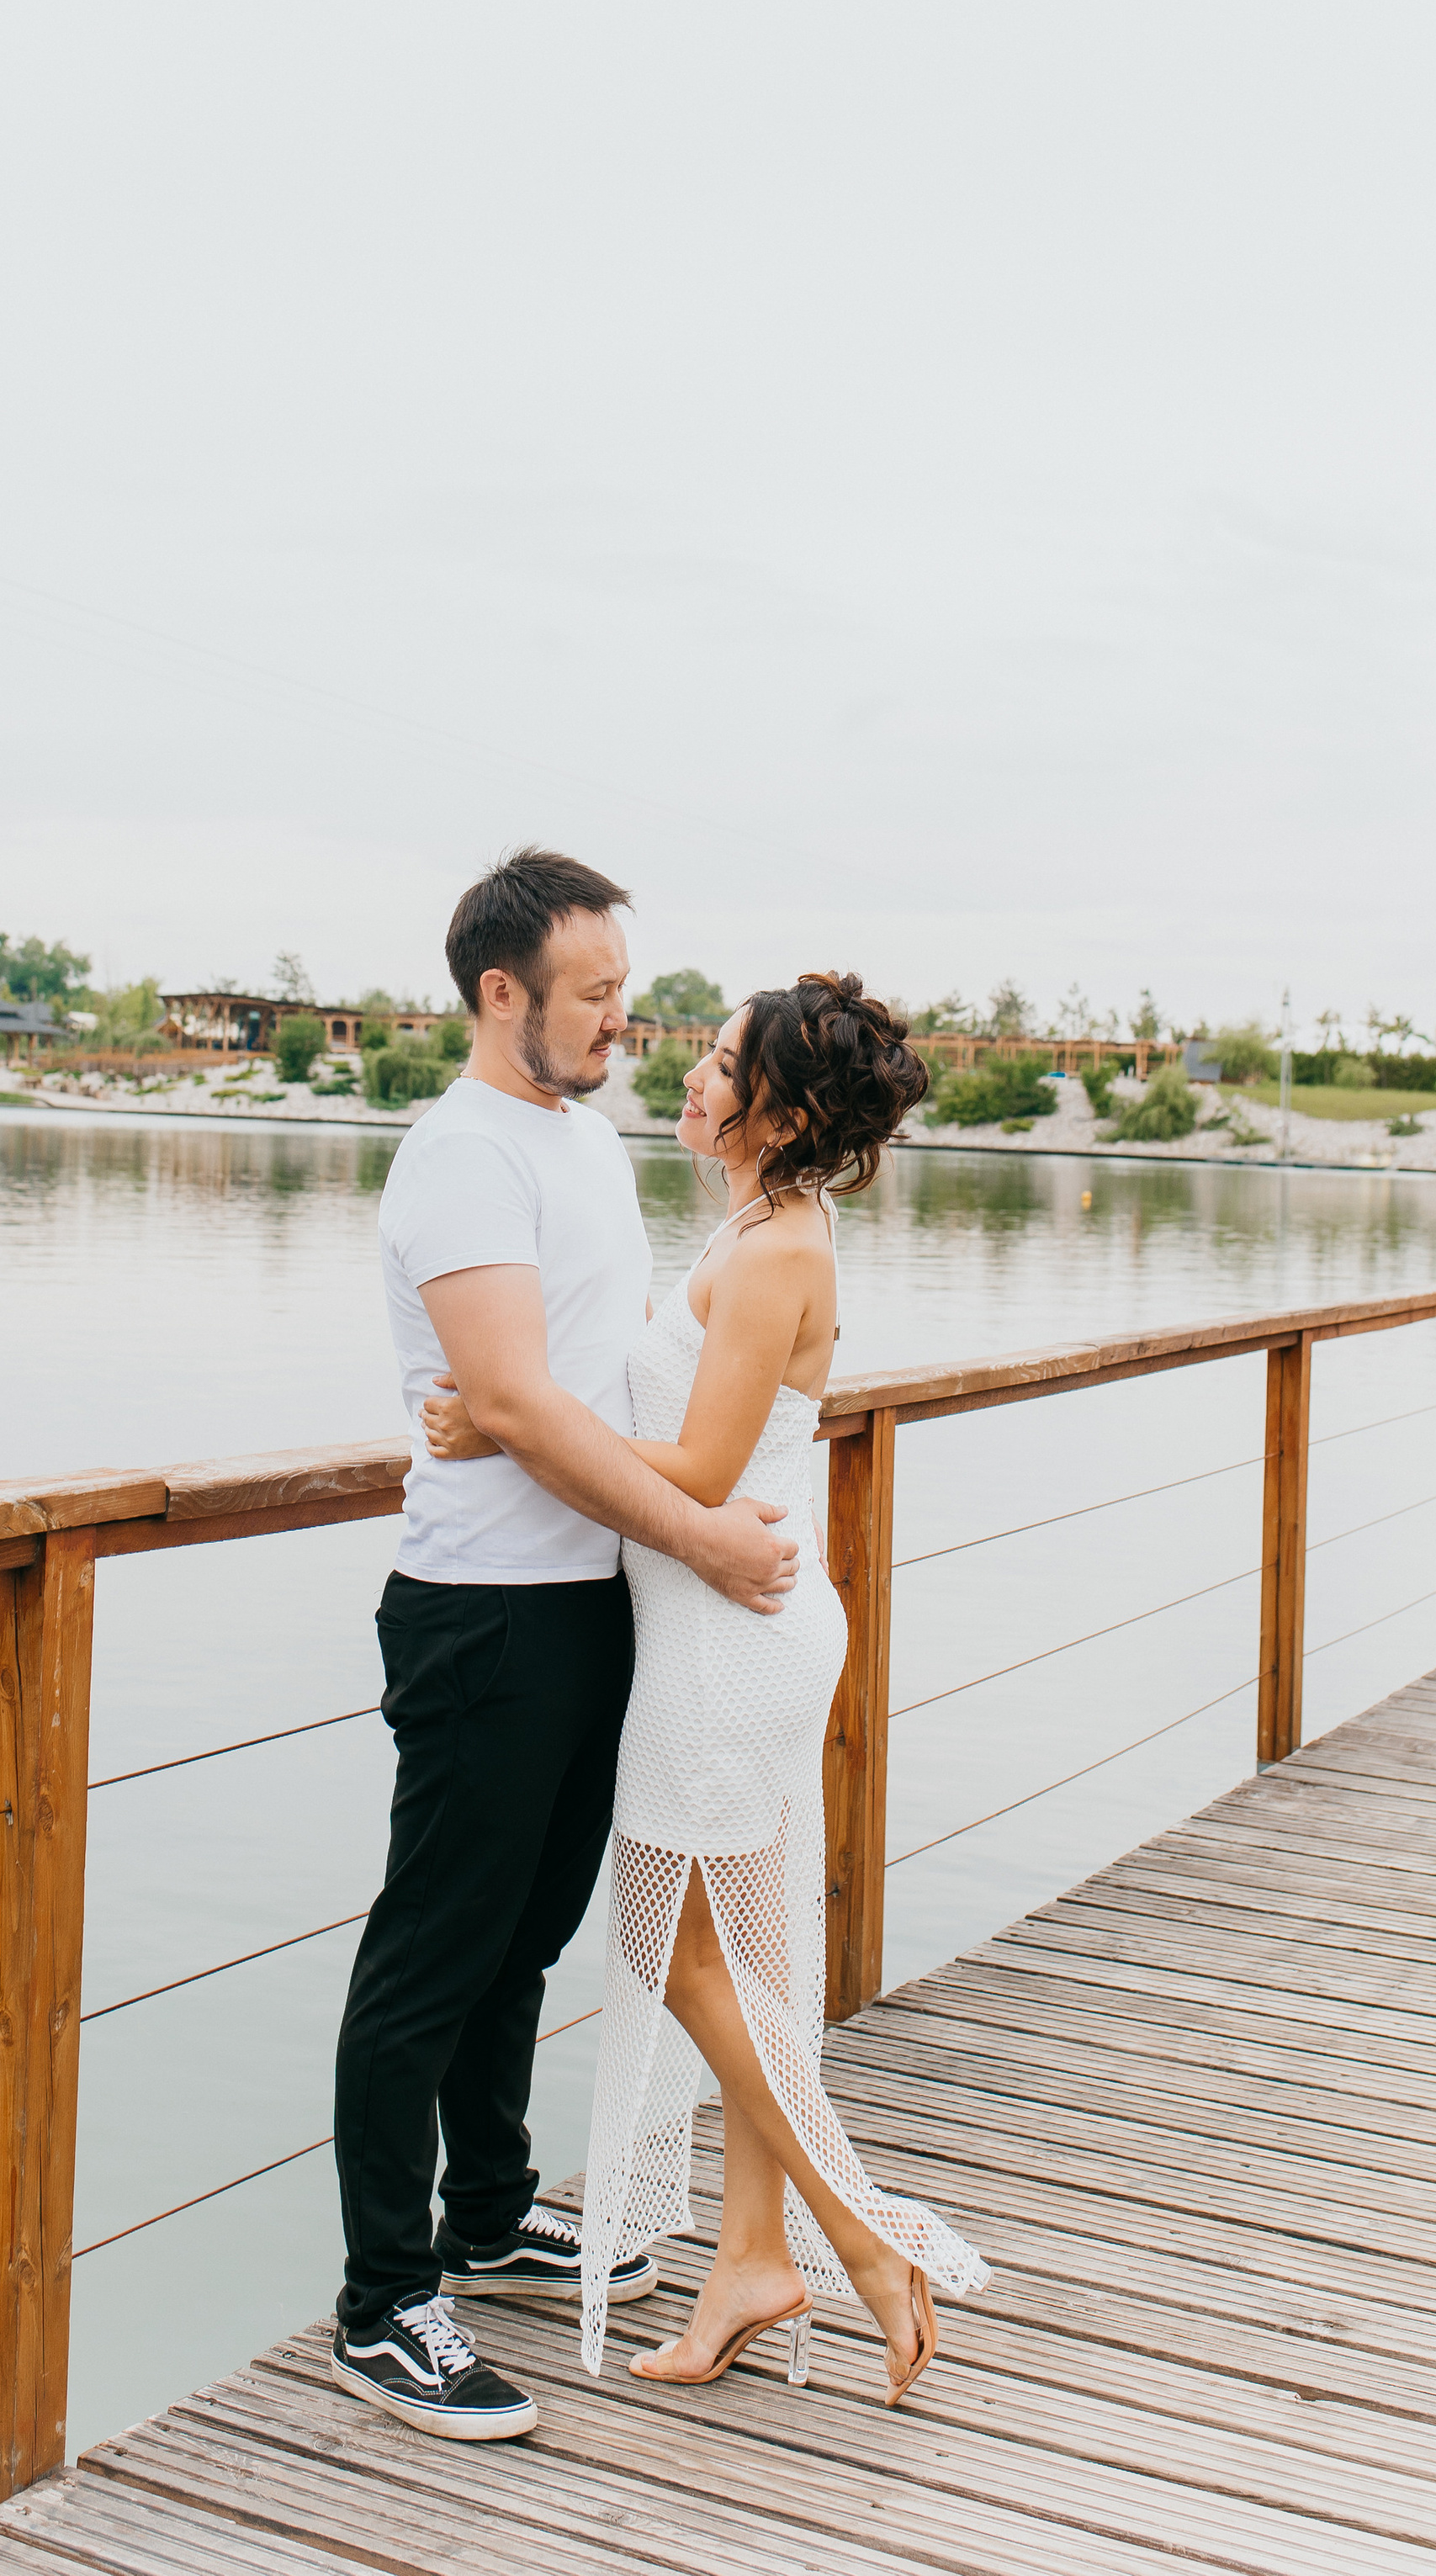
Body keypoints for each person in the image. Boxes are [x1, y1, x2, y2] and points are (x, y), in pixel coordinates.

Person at [425, 972, 990, 2404]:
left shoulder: (780, 1250)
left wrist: (508, 1426)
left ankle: (859, 2237)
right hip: (725, 1631)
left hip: (724, 1645)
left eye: (724, 1064)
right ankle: (750, 2261)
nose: (689, 1071)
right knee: (752, 1969)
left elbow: (696, 1472)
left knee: (677, 1956)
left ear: (782, 1115)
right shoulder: (756, 1224)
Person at [330, 848, 800, 2443]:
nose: (622, 1020)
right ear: (500, 992)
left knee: (524, 1935)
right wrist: (706, 1537)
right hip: (483, 1609)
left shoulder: (584, 1140)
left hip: (592, 1597)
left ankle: (486, 2210)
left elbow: (582, 1386)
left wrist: (648, 1519)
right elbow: (521, 1404)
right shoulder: (462, 1157)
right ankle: (386, 2302)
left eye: (625, 992)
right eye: (594, 994)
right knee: (431, 1955)